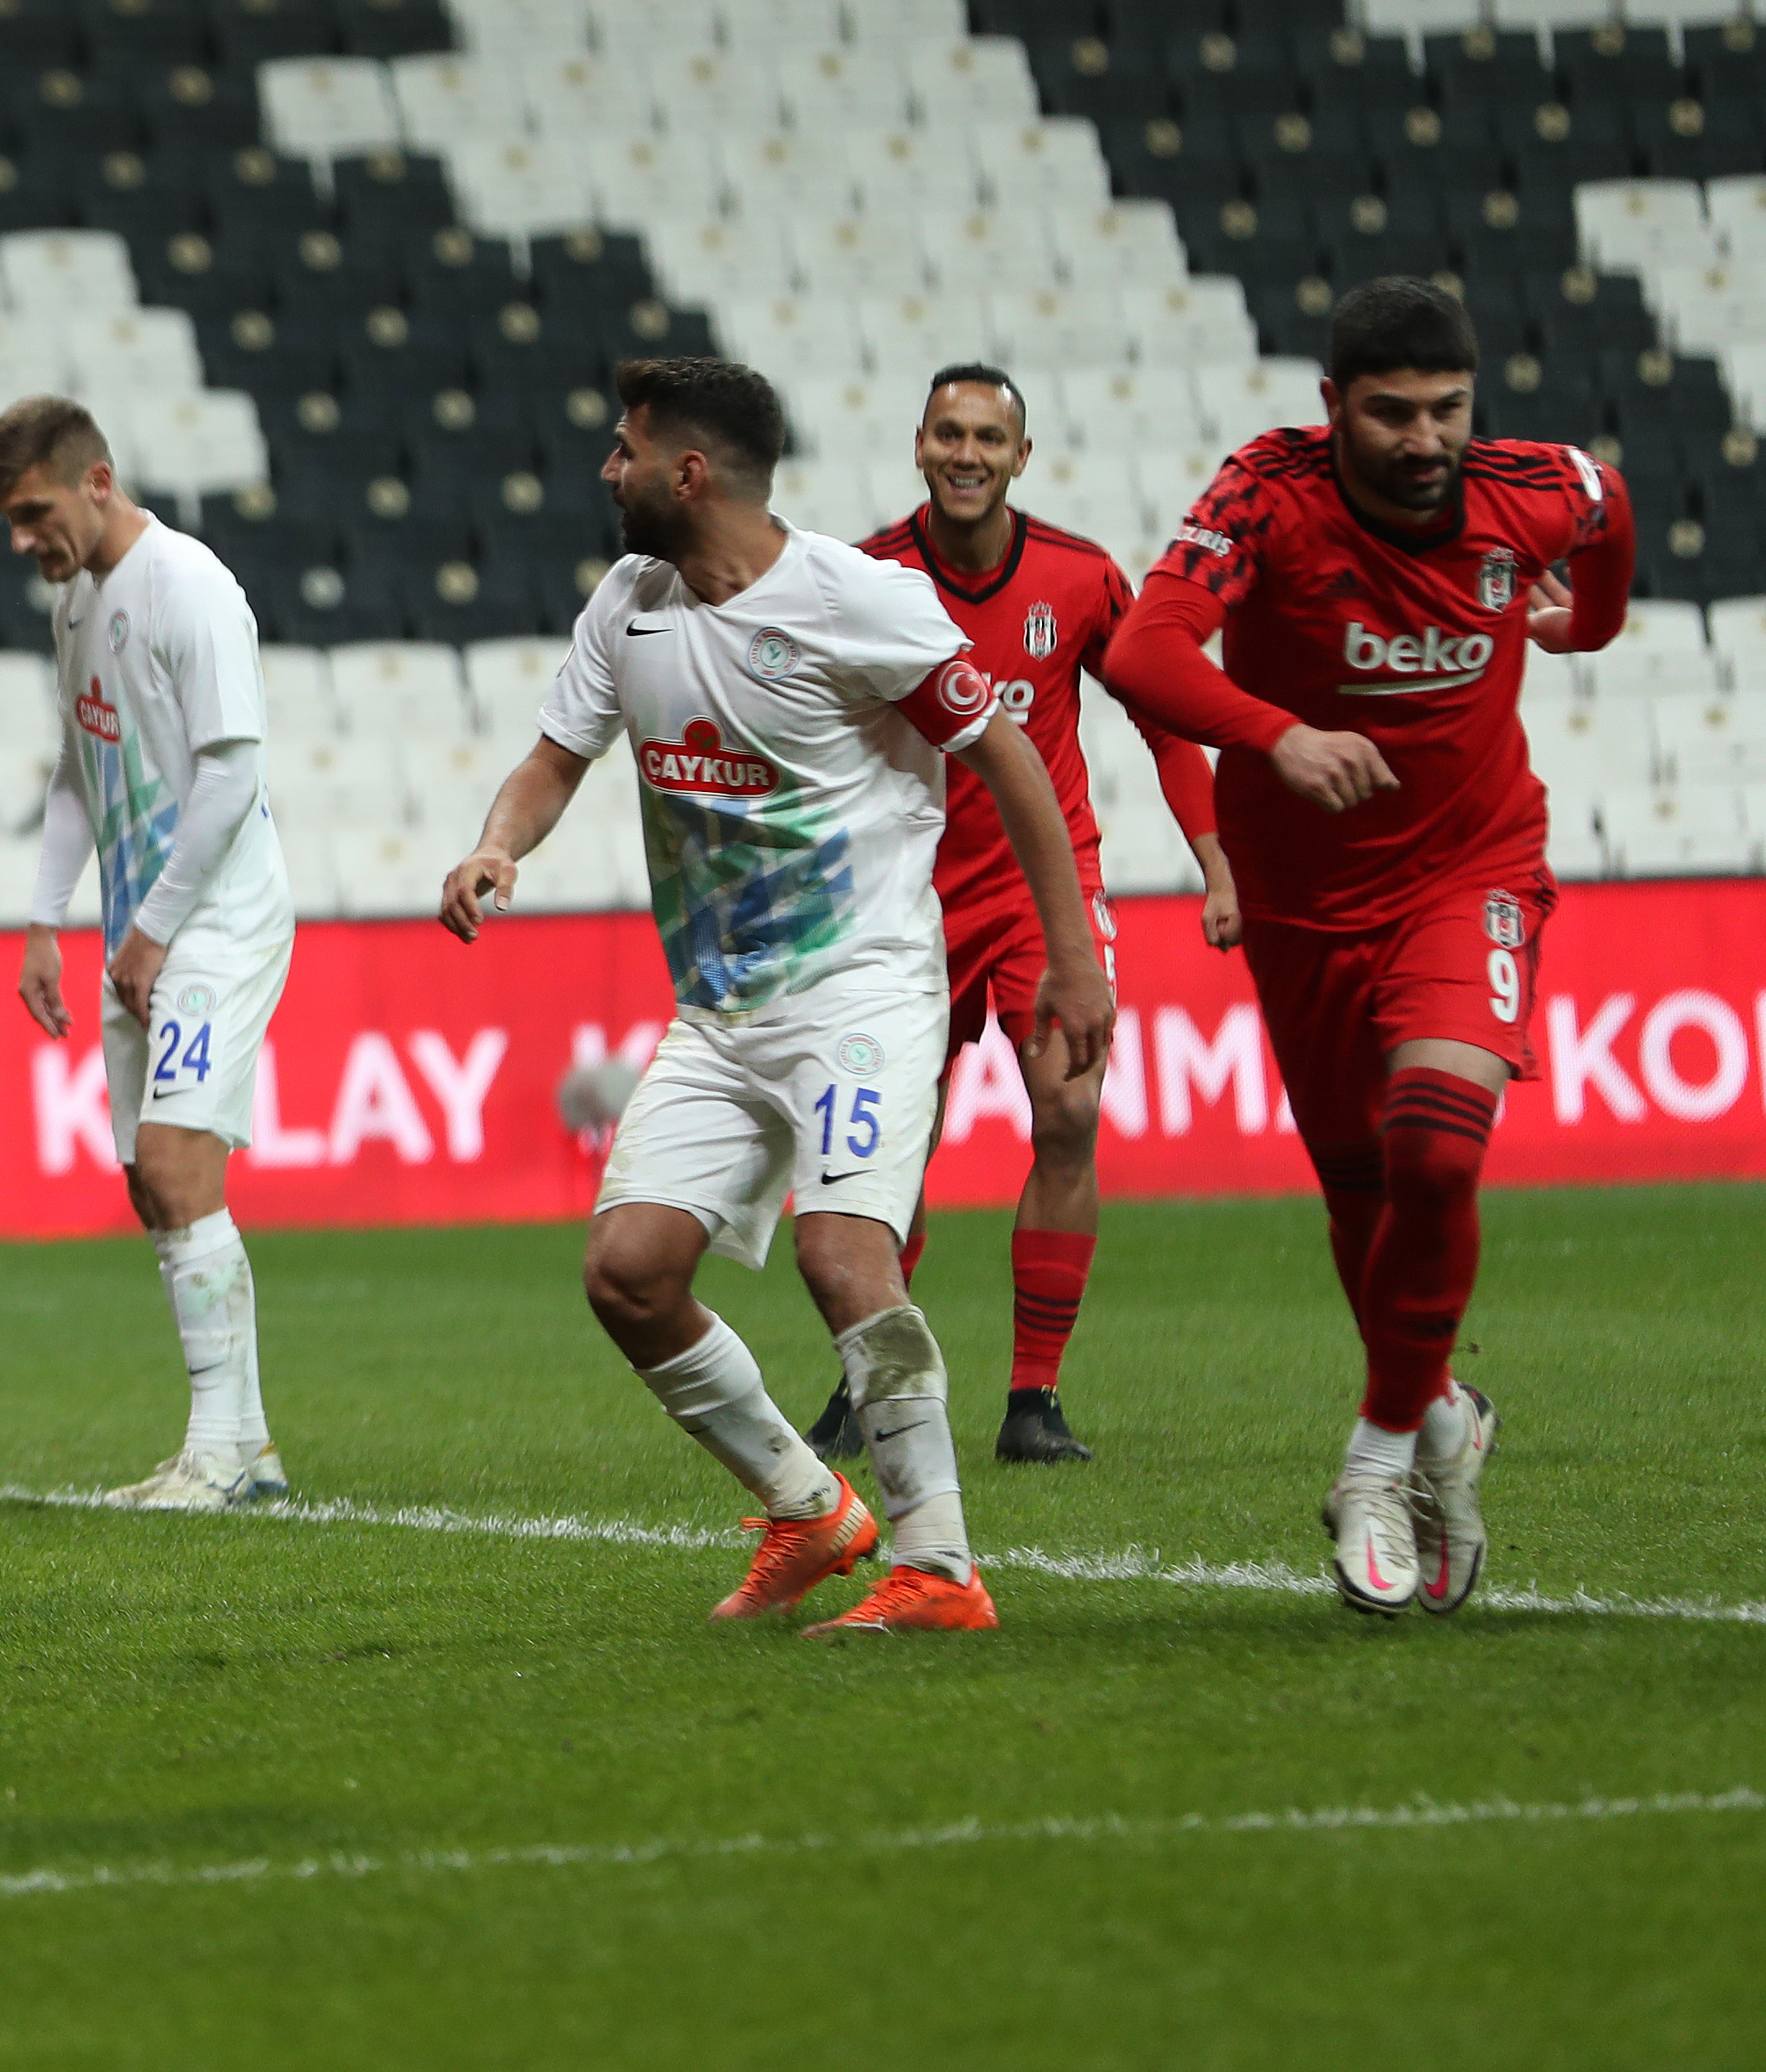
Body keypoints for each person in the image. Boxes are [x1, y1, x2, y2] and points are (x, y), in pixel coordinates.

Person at [440, 357, 1114, 1633]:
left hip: (860, 987)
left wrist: (1071, 952)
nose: (606, 469)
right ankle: (810, 1511)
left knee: (840, 1252)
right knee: (628, 1274)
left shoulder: (859, 602)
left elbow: (1007, 752)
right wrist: (498, 846)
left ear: (687, 474)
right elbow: (554, 755)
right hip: (720, 1013)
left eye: (625, 448)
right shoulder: (630, 601)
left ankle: (940, 1571)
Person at [1102, 278, 1634, 1618]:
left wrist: (1596, 622)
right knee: (1360, 1191)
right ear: (1331, 406)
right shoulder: (1263, 497)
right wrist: (1275, 733)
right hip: (1301, 902)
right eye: (1388, 413)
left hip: (1473, 866)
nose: (1420, 439)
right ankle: (1442, 1422)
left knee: (1438, 1141)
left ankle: (1380, 1453)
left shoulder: (1535, 488)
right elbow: (1144, 650)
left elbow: (1610, 508)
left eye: (1444, 410)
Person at [801, 364, 1234, 1467]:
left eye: (988, 437)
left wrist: (1213, 860)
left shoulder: (1079, 577)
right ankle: (872, 1368)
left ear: (1019, 458)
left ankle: (1032, 1400)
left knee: (1069, 1114)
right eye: (949, 432)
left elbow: (1165, 723)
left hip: (1039, 892)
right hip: (901, 898)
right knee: (888, 1149)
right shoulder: (864, 579)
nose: (966, 454)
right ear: (918, 443)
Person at [0, 396, 295, 1511]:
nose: (22, 541)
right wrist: (43, 920)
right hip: (139, 929)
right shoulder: (75, 603)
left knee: (174, 1169)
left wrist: (154, 924)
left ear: (95, 480)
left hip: (213, 918)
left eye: (31, 513)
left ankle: (214, 1451)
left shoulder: (189, 585)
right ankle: (243, 1449)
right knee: (148, 1188)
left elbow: (231, 772)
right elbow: (76, 770)